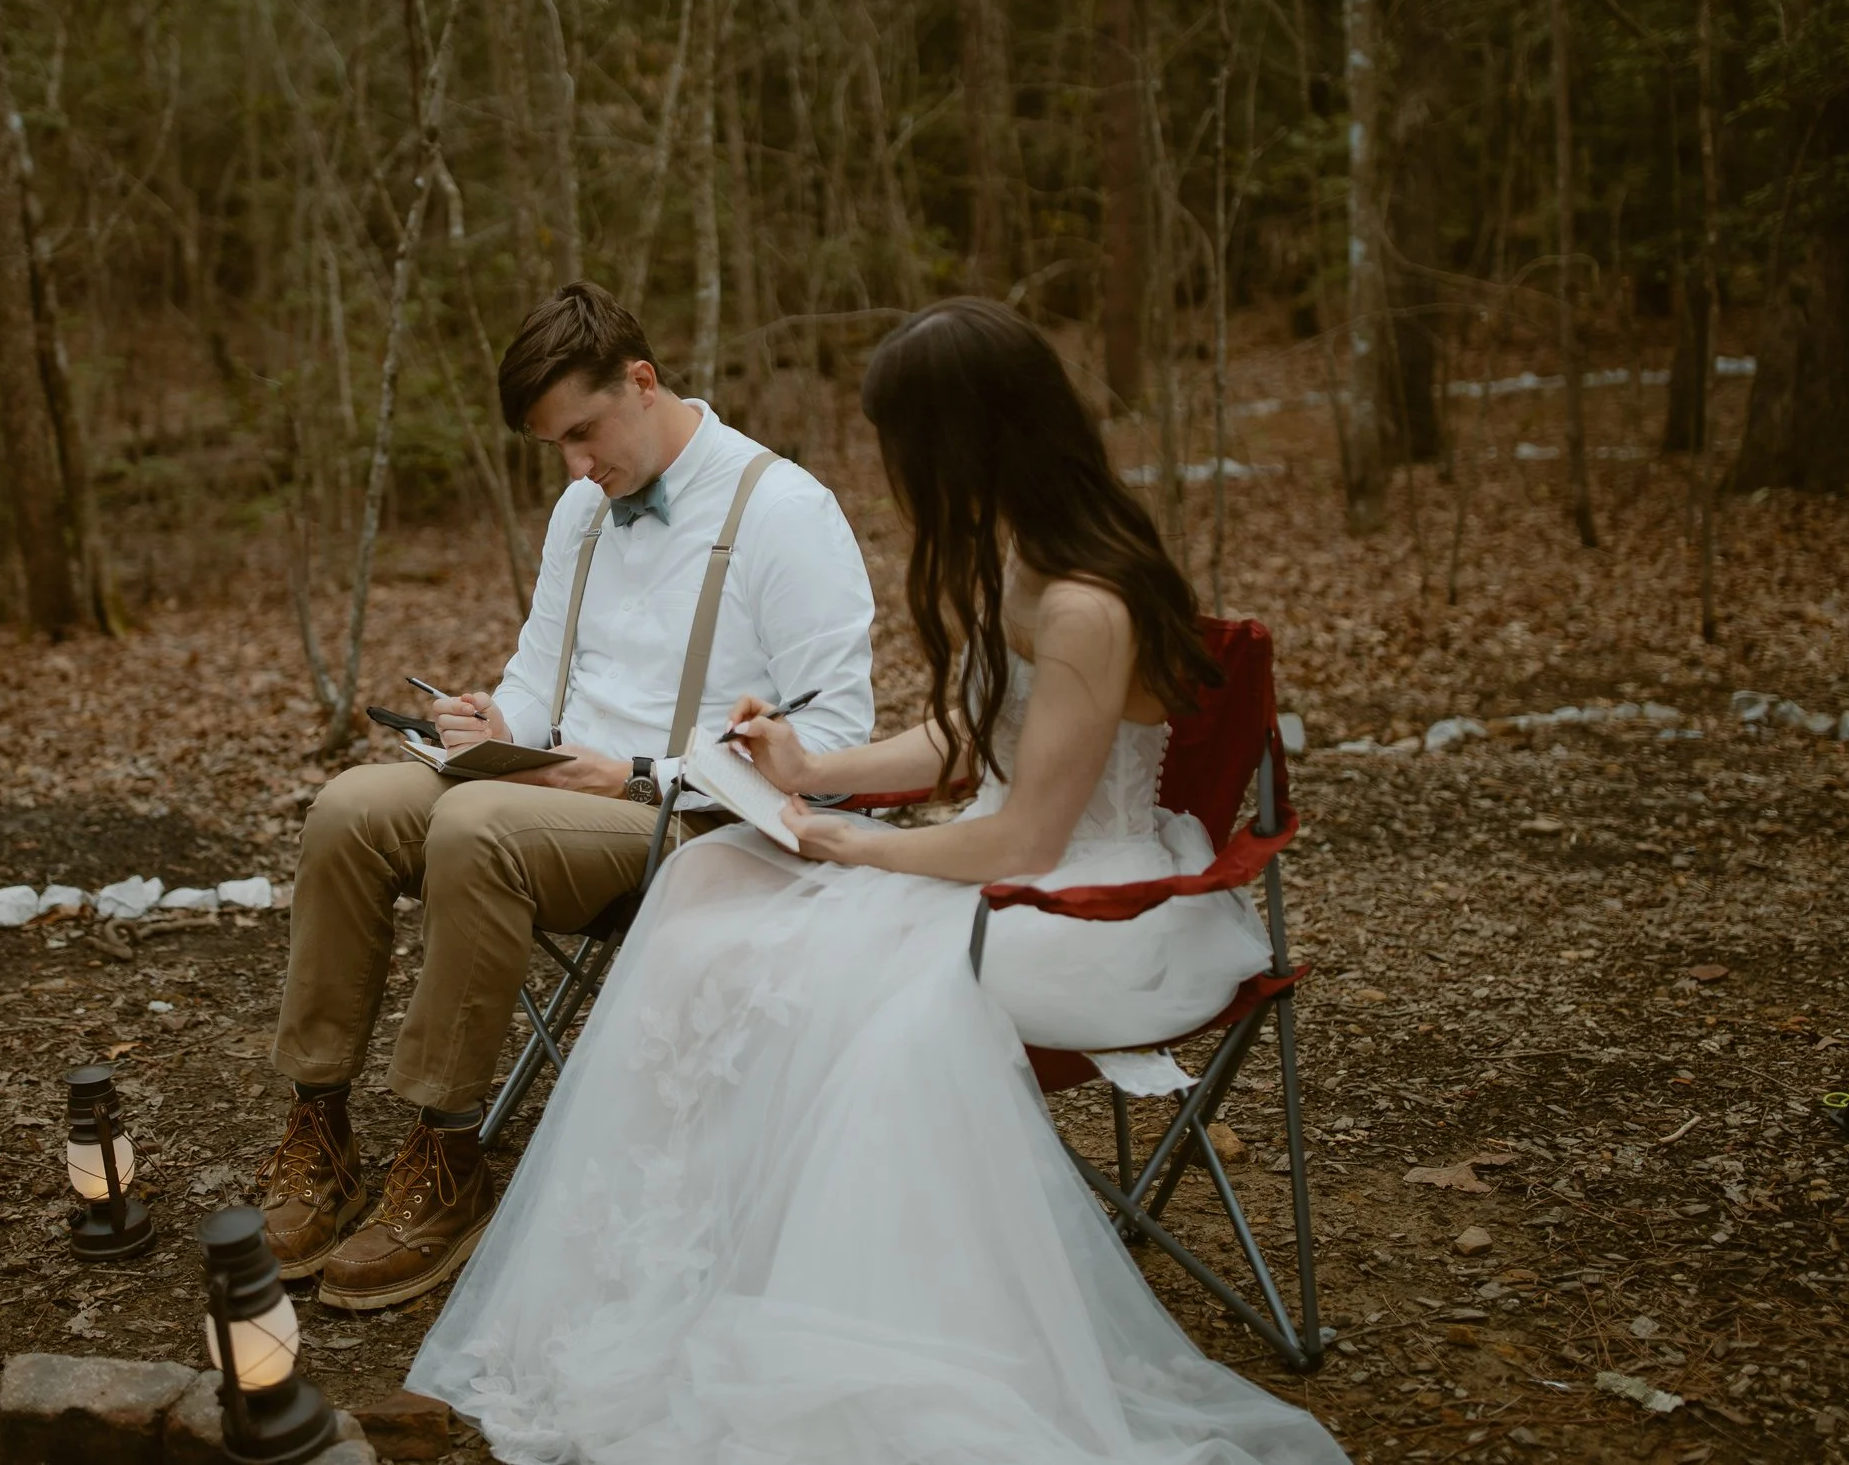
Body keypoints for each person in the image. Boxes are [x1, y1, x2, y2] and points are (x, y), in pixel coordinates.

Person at [407, 298, 1346, 1464]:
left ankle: (851, 1321)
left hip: (1094, 909)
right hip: (1000, 870)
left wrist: (853, 844)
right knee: (705, 886)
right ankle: (681, 1270)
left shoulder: (1083, 602)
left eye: (901, 443)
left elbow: (1027, 836)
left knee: (835, 989)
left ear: (963, 440)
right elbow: (971, 732)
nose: (895, 474)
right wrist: (810, 769)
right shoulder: (1024, 557)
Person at [258, 280, 877, 1312]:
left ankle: (448, 1148)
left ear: (643, 381)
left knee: (476, 825)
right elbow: (539, 677)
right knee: (350, 809)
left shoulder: (784, 510)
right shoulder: (581, 508)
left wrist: (637, 772)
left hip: (695, 820)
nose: (576, 467)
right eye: (556, 446)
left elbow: (838, 742)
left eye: (584, 433)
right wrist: (492, 722)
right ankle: (319, 1119)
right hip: (549, 793)